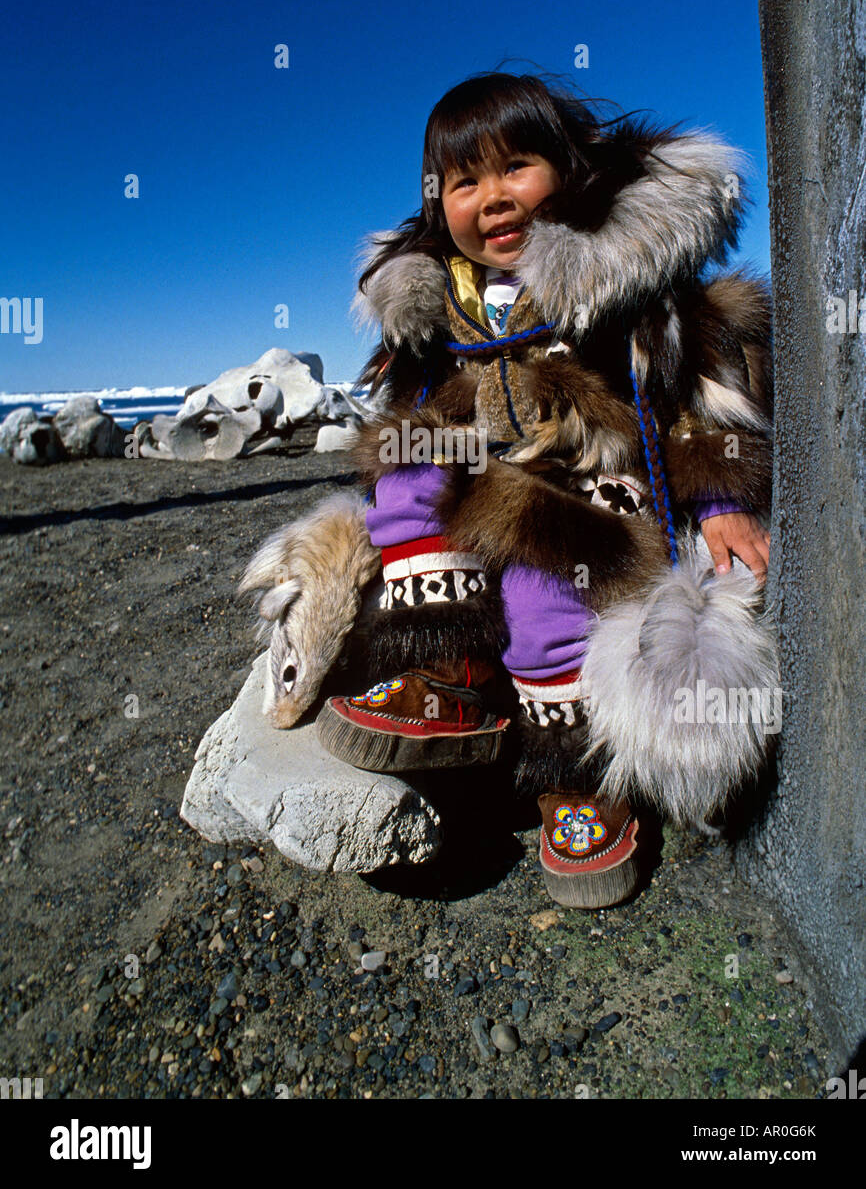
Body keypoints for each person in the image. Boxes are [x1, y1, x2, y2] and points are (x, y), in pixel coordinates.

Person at [244, 71, 777, 909]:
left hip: (593, 478)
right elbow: (408, 411)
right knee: (408, 468)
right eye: (464, 182)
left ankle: (573, 767)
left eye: (516, 167)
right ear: (437, 201)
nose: (492, 198)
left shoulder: (626, 280)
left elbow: (700, 397)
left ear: (567, 168)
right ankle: (442, 669)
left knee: (540, 591)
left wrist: (720, 502)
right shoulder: (442, 304)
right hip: (484, 464)